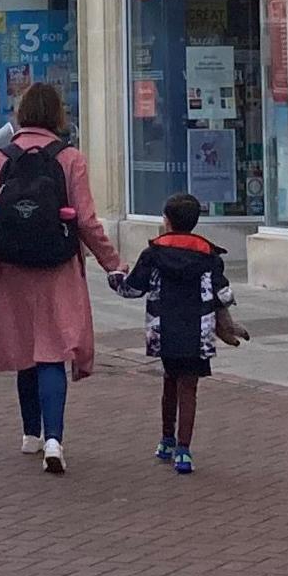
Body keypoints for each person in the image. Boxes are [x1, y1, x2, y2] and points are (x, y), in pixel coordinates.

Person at [0, 81, 122, 475]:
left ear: (21, 114)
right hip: (58, 266)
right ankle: (55, 438)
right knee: (52, 350)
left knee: (26, 348)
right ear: (58, 114)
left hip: (12, 268)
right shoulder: (70, 157)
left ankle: (30, 433)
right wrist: (113, 264)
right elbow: (86, 221)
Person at [112, 192, 249, 474]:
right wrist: (229, 324)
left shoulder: (153, 253)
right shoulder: (209, 256)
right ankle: (184, 451)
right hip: (198, 331)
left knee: (169, 381)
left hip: (163, 329)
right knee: (190, 387)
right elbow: (222, 293)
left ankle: (166, 440)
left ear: (167, 221)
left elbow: (133, 289)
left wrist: (115, 277)